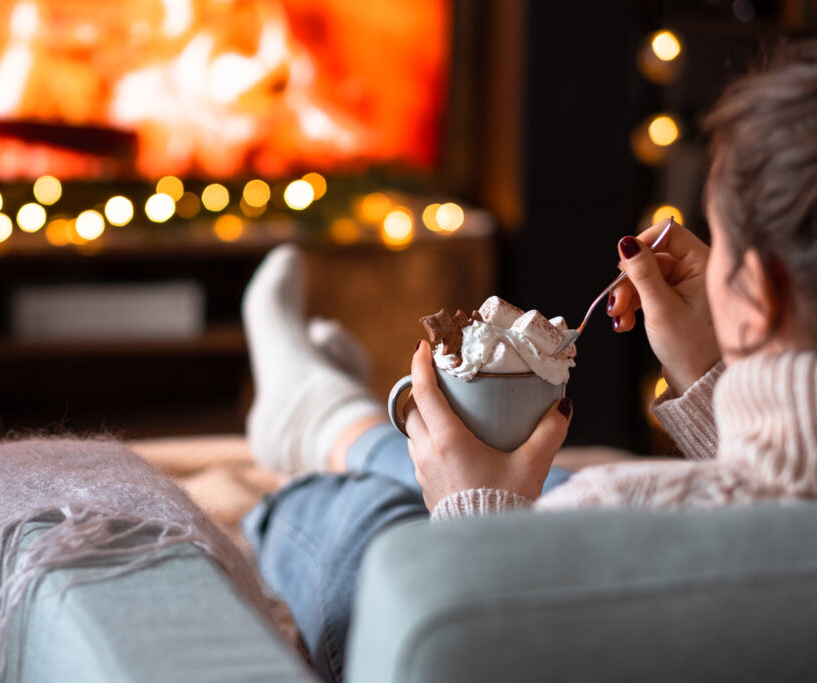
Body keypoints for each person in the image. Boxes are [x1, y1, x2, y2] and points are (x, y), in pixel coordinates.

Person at [241, 39, 817, 682]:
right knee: (538, 489)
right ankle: (327, 416)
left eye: (725, 251)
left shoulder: (603, 518)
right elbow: (777, 507)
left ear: (762, 292)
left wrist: (480, 525)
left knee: (371, 520)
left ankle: (317, 420)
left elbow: (463, 650)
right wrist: (716, 377)